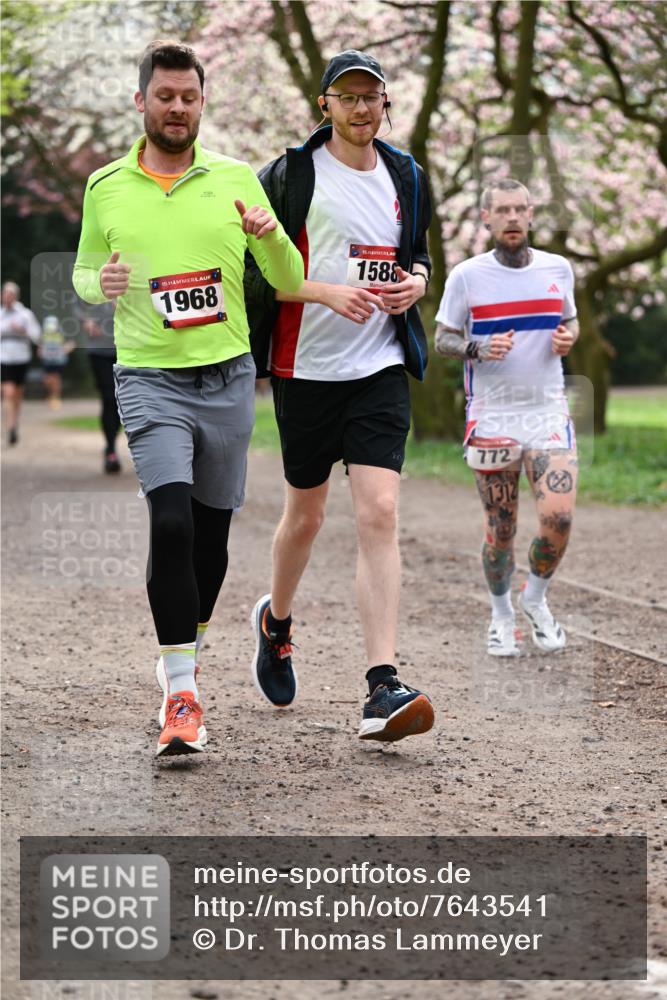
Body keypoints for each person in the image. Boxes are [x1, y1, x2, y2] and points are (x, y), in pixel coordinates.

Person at [73, 40, 303, 757]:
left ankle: (185, 649)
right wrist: (98, 286)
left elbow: (289, 279)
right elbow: (83, 272)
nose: (177, 107)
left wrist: (269, 238)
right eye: (164, 96)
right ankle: (182, 693)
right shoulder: (105, 185)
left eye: (189, 96)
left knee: (209, 540)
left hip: (228, 377)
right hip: (148, 378)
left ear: (202, 103)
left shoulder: (235, 179)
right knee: (169, 524)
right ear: (140, 101)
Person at [245, 50, 435, 743]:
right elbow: (259, 270)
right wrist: (323, 292)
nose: (361, 108)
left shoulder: (406, 173)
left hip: (379, 365)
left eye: (372, 96)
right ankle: (277, 622)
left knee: (379, 511)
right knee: (305, 516)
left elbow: (415, 252)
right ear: (323, 104)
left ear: (386, 103)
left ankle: (381, 684)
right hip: (305, 367)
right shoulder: (291, 174)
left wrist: (415, 281)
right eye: (347, 97)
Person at [434, 178, 579, 656]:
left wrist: (568, 337)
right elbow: (443, 339)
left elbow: (570, 319)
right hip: (493, 417)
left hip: (547, 411)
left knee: (558, 518)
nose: (513, 217)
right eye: (503, 210)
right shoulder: (467, 276)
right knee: (501, 529)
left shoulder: (559, 268)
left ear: (531, 213)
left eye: (520, 209)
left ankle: (535, 598)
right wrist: (478, 346)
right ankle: (501, 616)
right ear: (487, 218)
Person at [78, 300, 123, 473]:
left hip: (126, 348)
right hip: (98, 349)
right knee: (109, 397)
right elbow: (76, 304)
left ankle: (113, 446)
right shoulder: (94, 274)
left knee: (121, 399)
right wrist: (84, 321)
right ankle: (111, 449)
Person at [0, 281, 41, 445]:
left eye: (10, 294)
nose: (7, 297)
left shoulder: (25, 314)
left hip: (21, 357)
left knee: (17, 394)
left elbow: (36, 335)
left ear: (15, 296)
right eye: (5, 294)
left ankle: (14, 423)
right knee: (8, 392)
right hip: (4, 358)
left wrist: (22, 330)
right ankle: (10, 428)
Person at [39, 315, 75, 409]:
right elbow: (40, 346)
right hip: (47, 360)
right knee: (47, 379)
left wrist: (64, 351)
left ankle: (55, 397)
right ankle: (51, 394)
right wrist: (40, 351)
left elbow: (71, 344)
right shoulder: (44, 334)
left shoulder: (61, 333)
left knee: (56, 378)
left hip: (58, 361)